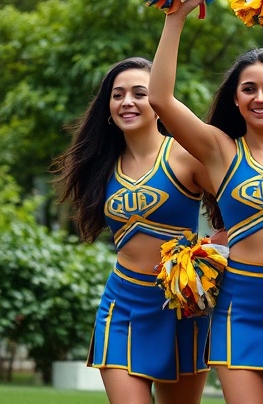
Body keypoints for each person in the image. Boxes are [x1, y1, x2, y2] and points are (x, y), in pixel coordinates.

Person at [148, 0, 263, 404]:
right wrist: (176, 17)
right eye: (247, 89)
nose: (260, 98)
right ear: (234, 100)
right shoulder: (220, 151)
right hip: (239, 305)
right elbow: (160, 99)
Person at [52, 57, 211, 404]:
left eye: (140, 93)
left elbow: (239, 212)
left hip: (182, 306)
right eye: (118, 94)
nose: (127, 102)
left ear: (157, 102)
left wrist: (206, 255)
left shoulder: (186, 156)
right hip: (123, 303)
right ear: (108, 107)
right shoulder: (101, 164)